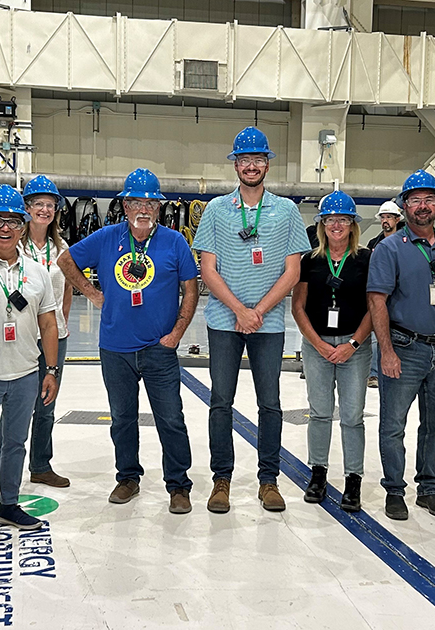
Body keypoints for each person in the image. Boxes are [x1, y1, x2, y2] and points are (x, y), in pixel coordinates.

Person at [59, 169, 200, 513]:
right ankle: (127, 478)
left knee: (171, 419)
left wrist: (178, 333)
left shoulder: (174, 242)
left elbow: (192, 289)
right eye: (136, 201)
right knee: (122, 418)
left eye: (150, 202)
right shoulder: (107, 237)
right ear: (124, 205)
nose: (143, 207)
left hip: (159, 348)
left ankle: (179, 485)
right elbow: (65, 260)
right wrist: (92, 293)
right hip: (116, 348)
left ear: (158, 207)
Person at [193, 126, 312, 513]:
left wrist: (257, 312)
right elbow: (208, 269)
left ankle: (269, 480)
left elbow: (292, 271)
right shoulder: (215, 210)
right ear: (236, 165)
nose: (250, 166)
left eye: (257, 160)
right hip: (224, 321)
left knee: (270, 403)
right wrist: (240, 311)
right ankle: (221, 481)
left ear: (266, 165)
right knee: (220, 402)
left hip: (269, 324)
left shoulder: (287, 211)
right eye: (244, 160)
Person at [367, 170, 435, 521]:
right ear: (404, 206)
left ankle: (429, 488)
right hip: (404, 347)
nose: (423, 206)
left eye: (429, 199)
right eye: (415, 200)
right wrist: (386, 350)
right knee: (393, 424)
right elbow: (377, 301)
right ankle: (394, 490)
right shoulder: (389, 248)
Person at [0, 185, 61, 542]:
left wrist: (50, 371)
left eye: (13, 221)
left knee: (15, 443)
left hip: (25, 375)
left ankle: (8, 504)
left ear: (23, 225)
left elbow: (48, 324)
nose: (5, 228)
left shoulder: (37, 273)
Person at [291, 191, 373, 512]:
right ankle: (318, 473)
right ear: (321, 224)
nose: (336, 225)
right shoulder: (309, 261)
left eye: (342, 219)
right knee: (320, 412)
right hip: (317, 346)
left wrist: (352, 344)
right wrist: (319, 344)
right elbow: (298, 307)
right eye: (330, 220)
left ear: (353, 224)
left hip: (355, 345)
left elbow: (374, 307)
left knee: (352, 416)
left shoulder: (366, 259)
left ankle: (353, 480)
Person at [21, 174, 73, 488]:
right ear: (26, 208)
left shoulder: (61, 246)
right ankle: (9, 467)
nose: (44, 210)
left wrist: (60, 324)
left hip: (54, 336)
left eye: (49, 205)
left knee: (46, 404)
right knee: (17, 404)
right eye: (38, 204)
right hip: (23, 335)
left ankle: (40, 464)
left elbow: (65, 289)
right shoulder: (14, 243)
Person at [367, 200, 404, 389]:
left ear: (397, 219)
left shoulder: (406, 241)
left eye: (388, 217)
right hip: (379, 294)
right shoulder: (374, 243)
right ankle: (374, 373)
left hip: (400, 295)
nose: (385, 221)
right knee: (376, 335)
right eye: (382, 217)